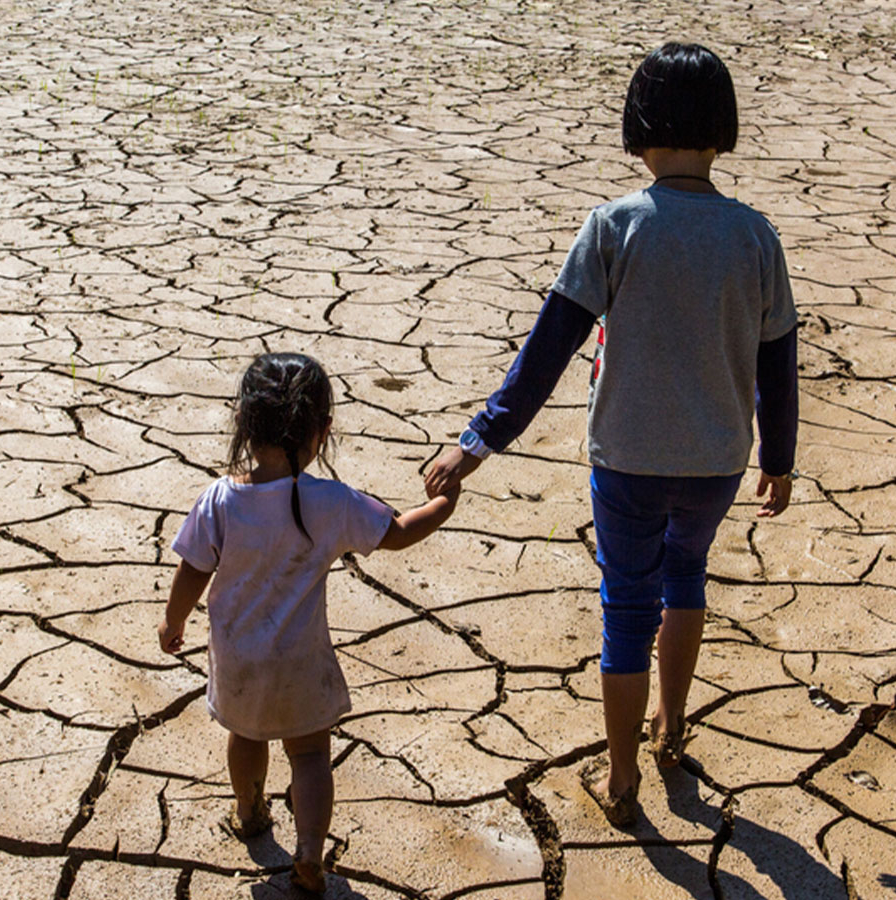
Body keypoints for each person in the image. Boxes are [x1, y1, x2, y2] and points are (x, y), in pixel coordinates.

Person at [424, 42, 799, 827]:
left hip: (627, 461)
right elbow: (778, 362)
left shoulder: (616, 225)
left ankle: (622, 772)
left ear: (637, 128)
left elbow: (549, 348)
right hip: (717, 462)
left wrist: (478, 442)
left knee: (627, 605)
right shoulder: (755, 236)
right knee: (687, 576)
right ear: (722, 133)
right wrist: (780, 458)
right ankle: (673, 725)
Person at [158, 352, 459, 893]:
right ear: (322, 430)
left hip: (239, 660)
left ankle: (249, 814)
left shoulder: (220, 499)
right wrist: (443, 504)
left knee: (245, 738)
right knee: (312, 755)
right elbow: (397, 532)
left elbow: (191, 570)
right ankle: (309, 853)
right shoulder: (331, 501)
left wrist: (171, 622)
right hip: (302, 664)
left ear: (244, 425)